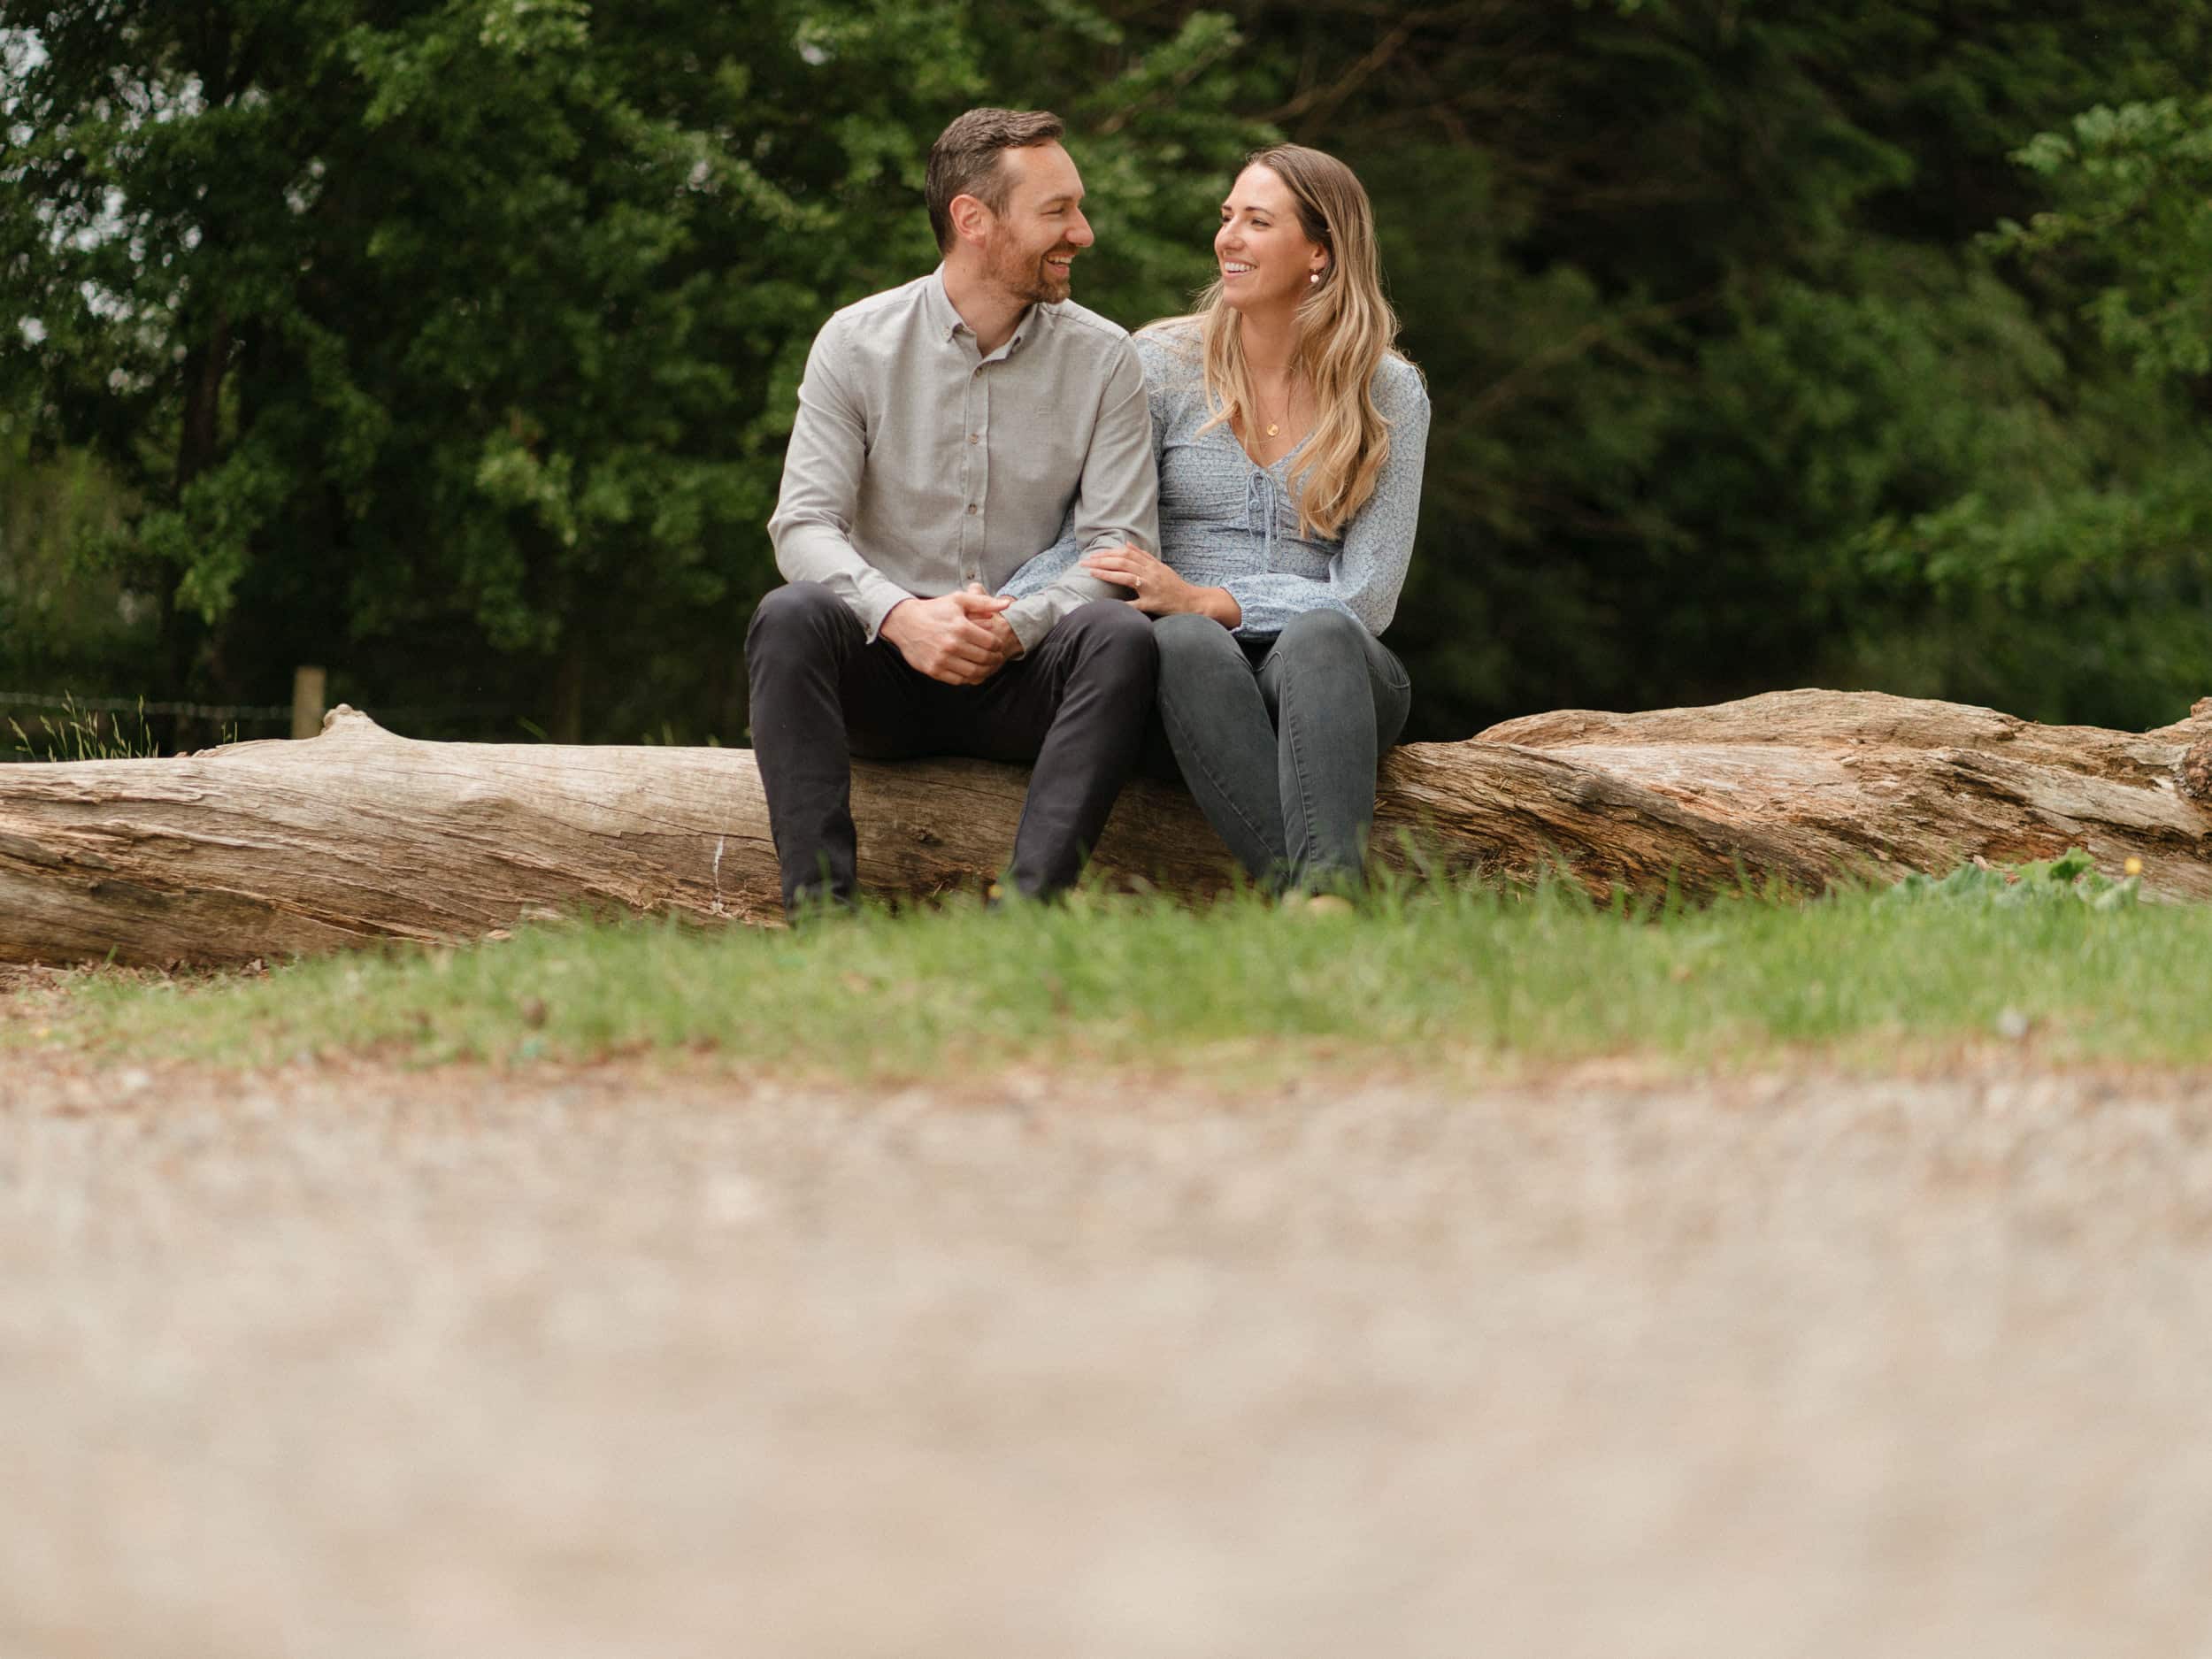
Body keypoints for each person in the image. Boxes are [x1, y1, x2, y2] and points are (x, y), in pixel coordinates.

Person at [749, 108, 1160, 915]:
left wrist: (1018, 626)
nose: (1083, 233)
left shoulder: (1106, 357)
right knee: (789, 615)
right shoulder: (855, 342)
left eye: (1077, 208)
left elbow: (1119, 543)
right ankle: (823, 917)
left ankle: (1026, 914)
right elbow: (801, 525)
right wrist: (901, 616)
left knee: (1120, 635)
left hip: (1022, 675)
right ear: (973, 220)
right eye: (1057, 211)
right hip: (886, 670)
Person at [1055, 144, 1428, 898]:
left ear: (1320, 252)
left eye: (1258, 221)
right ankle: (1321, 900)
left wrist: (1212, 599)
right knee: (1181, 638)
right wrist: (1012, 609)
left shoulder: (1389, 390)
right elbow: (1096, 536)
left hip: (1335, 684)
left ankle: (1311, 896)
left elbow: (1367, 598)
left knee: (1321, 631)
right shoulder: (1159, 364)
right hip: (1191, 686)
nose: (1228, 237)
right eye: (1228, 217)